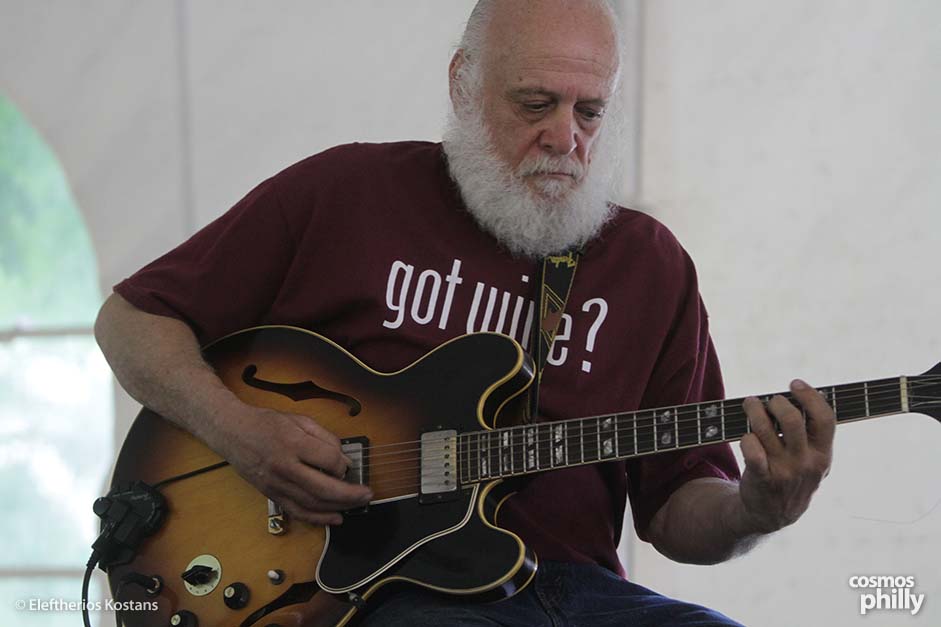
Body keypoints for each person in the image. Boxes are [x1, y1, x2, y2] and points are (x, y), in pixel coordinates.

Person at [95, 1, 836, 625]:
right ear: (462, 83)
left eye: (590, 111)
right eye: (535, 104)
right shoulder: (346, 192)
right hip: (366, 593)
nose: (566, 138)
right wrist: (240, 431)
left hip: (579, 595)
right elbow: (132, 320)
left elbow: (676, 507)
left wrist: (756, 509)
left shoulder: (650, 264)